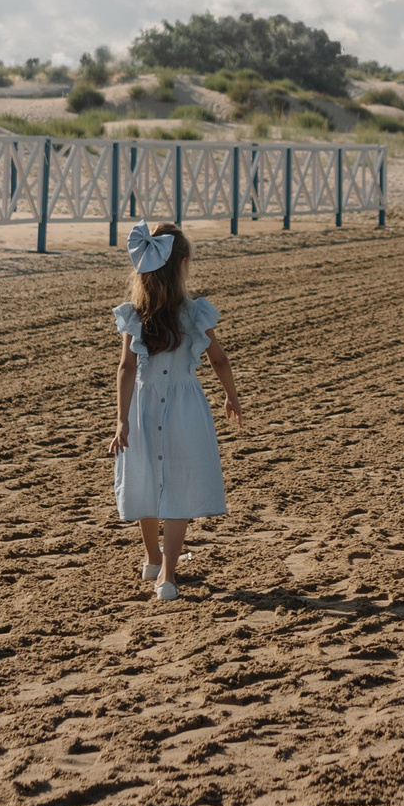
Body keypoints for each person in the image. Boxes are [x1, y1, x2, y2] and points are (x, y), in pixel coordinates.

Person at [109, 222, 243, 603]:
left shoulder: (135, 314)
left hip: (142, 406)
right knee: (179, 486)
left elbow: (126, 368)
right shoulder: (194, 312)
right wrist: (231, 397)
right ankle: (167, 576)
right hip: (186, 407)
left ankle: (153, 558)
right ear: (183, 264)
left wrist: (121, 419)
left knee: (147, 479)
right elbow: (218, 359)